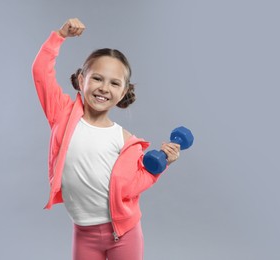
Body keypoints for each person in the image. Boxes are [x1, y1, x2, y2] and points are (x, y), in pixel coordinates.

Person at [32, 18, 181, 260]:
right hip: (83, 233)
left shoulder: (125, 140)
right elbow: (40, 72)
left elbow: (131, 187)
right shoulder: (63, 116)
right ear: (82, 80)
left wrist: (159, 167)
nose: (104, 88)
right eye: (97, 78)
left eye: (114, 83)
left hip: (124, 234)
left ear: (123, 92)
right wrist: (59, 36)